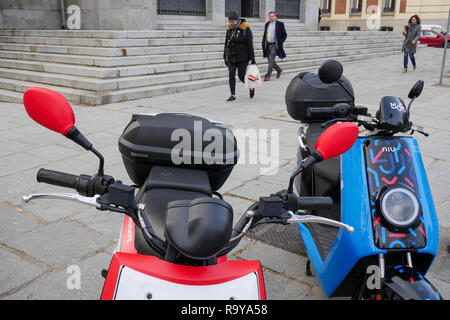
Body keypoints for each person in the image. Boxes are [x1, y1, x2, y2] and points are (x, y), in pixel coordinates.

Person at [223, 11, 256, 102]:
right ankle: (233, 95)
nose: (231, 23)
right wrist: (224, 56)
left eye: (233, 21)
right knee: (231, 75)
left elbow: (250, 44)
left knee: (242, 76)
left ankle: (251, 87)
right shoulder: (229, 28)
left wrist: (252, 59)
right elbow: (226, 43)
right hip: (231, 57)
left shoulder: (245, 28)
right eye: (230, 21)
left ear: (237, 20)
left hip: (242, 57)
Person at [261, 11, 287, 81]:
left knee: (271, 59)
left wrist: (280, 42)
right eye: (269, 16)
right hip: (268, 44)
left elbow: (284, 34)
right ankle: (279, 69)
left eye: (272, 16)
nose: (270, 17)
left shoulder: (280, 24)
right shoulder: (267, 24)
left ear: (275, 17)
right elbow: (265, 35)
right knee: (270, 61)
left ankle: (268, 76)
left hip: (275, 45)